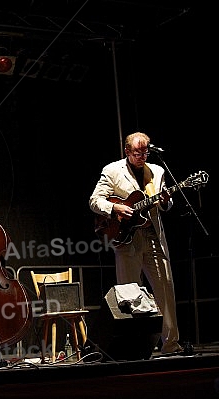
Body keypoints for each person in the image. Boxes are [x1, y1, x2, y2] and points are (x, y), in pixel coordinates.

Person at [89, 132, 182, 355]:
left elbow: (162, 206)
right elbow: (95, 201)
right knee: (130, 295)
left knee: (165, 290)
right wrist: (116, 208)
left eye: (145, 151)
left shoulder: (157, 171)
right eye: (137, 152)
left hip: (153, 237)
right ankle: (133, 348)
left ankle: (170, 345)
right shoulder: (112, 170)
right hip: (126, 238)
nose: (142, 156)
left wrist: (167, 202)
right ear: (127, 151)